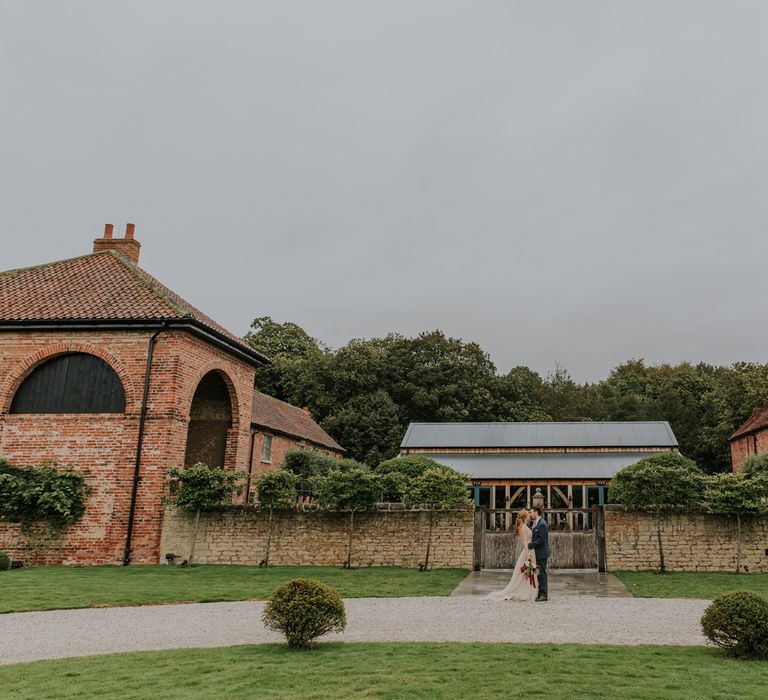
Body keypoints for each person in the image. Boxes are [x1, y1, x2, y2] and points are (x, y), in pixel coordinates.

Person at [487, 510, 538, 602]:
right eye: (528, 514)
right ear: (525, 517)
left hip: (530, 550)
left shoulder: (525, 526)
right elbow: (525, 543)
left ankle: (529, 590)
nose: (529, 516)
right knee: (525, 573)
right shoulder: (523, 527)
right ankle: (524, 592)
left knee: (527, 573)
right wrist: (527, 555)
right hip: (528, 551)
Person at [528, 505, 550, 601]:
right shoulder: (535, 523)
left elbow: (542, 539)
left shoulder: (542, 524)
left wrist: (530, 545)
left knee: (541, 573)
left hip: (541, 553)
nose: (530, 514)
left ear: (536, 512)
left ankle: (544, 595)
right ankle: (538, 592)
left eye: (531, 512)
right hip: (536, 553)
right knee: (537, 573)